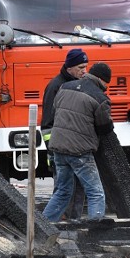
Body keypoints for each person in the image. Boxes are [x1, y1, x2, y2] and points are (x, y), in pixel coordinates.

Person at [42, 62, 113, 223]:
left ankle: (44, 224)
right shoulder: (100, 98)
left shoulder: (65, 87)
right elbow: (104, 127)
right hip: (79, 151)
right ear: (102, 80)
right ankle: (95, 228)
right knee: (95, 191)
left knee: (62, 191)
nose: (106, 88)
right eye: (106, 84)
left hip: (58, 148)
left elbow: (55, 112)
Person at [41, 48, 88, 220]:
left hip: (77, 150)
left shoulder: (79, 84)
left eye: (86, 66)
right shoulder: (55, 87)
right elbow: (47, 125)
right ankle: (57, 227)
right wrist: (54, 151)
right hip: (60, 152)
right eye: (81, 67)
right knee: (64, 191)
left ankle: (73, 224)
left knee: (78, 191)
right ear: (69, 68)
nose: (84, 71)